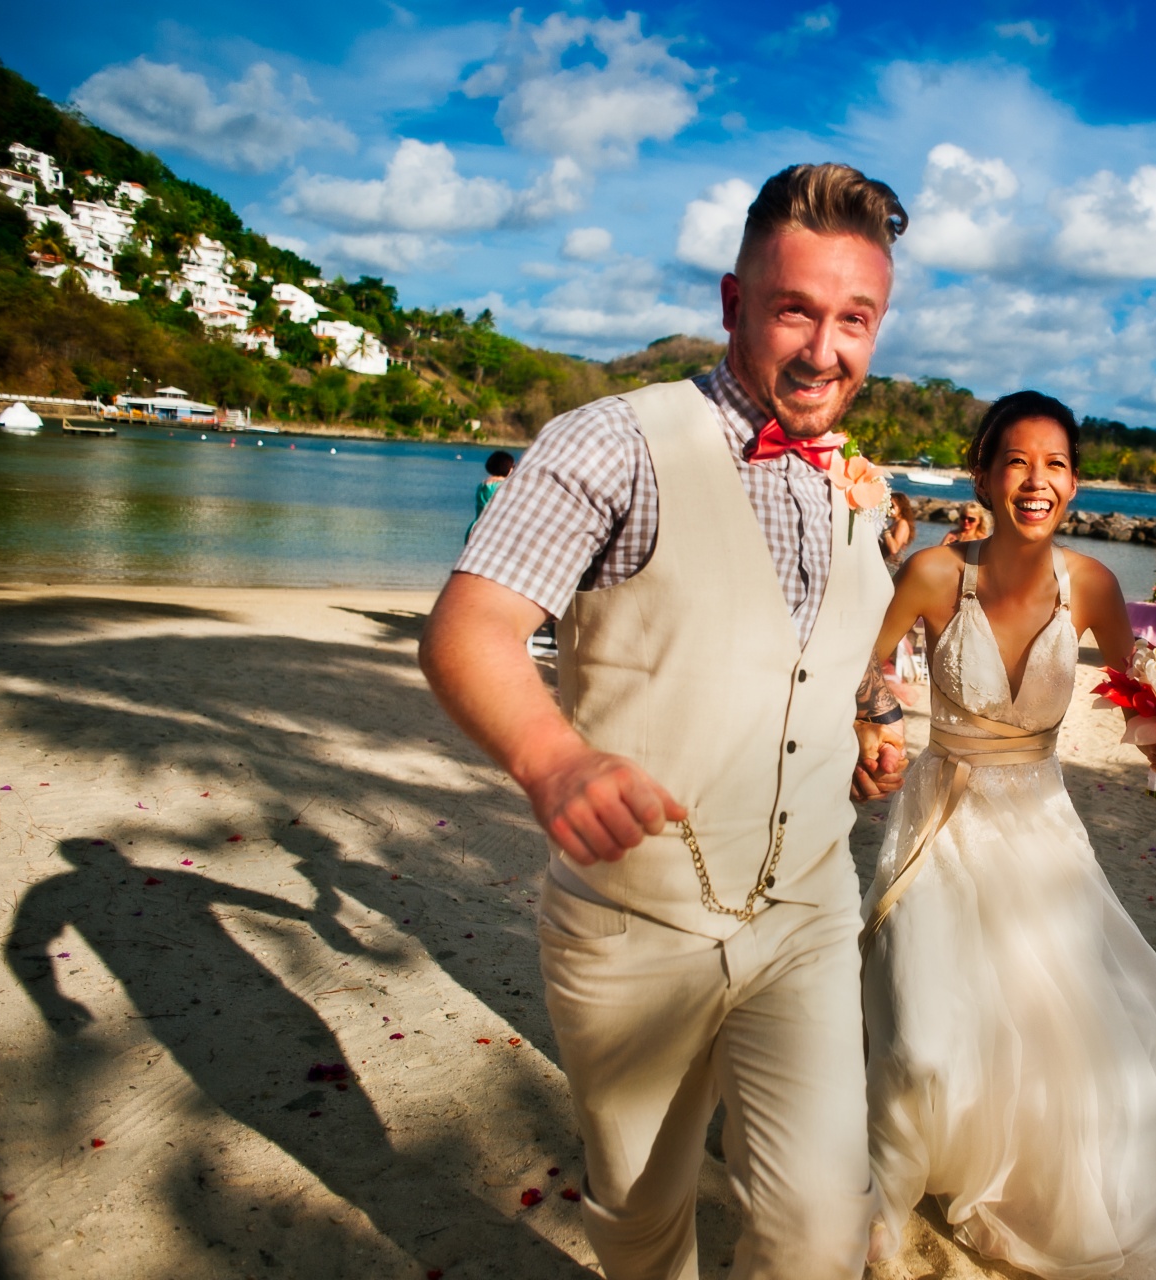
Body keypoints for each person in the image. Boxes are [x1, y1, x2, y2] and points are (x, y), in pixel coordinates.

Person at [419, 163, 911, 1280]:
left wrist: (868, 729)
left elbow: (833, 662)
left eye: (854, 321)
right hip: (634, 925)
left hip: (809, 915)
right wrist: (551, 757)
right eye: (795, 310)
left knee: (823, 1227)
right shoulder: (611, 443)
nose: (824, 350)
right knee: (641, 1217)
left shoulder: (867, 492)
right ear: (733, 303)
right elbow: (468, 628)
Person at [861, 392, 1156, 1277]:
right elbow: (863, 668)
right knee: (921, 1034)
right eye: (1017, 462)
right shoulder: (936, 574)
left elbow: (1142, 699)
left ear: (1075, 483)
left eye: (1055, 465)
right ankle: (881, 1204)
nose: (1035, 481)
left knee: (1035, 1029)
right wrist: (873, 725)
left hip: (1042, 833)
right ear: (982, 473)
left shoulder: (1089, 586)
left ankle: (983, 1171)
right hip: (942, 820)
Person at [880, 491, 917, 569]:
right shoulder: (895, 524)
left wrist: (885, 529)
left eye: (892, 505)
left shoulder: (902, 523)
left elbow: (894, 550)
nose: (889, 508)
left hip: (891, 568)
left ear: (901, 506)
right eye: (888, 505)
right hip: (885, 565)